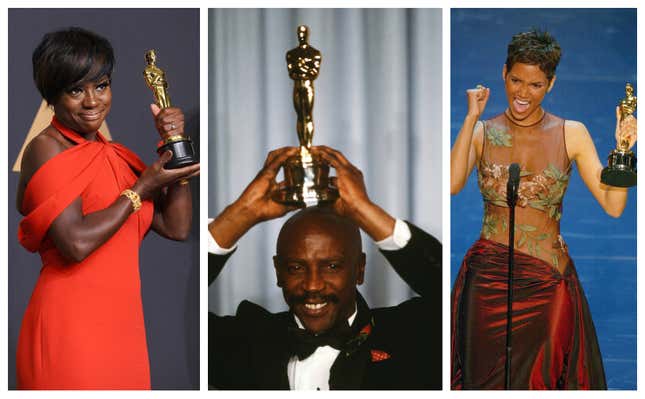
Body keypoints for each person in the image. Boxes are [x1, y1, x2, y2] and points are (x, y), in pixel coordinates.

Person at [450, 30, 637, 389]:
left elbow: (614, 207)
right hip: (487, 282)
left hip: (547, 283)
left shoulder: (572, 133)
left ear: (550, 84)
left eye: (535, 84)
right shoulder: (482, 132)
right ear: (503, 73)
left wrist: (623, 149)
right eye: (516, 80)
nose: (522, 93)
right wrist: (471, 117)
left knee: (543, 380)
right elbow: (452, 183)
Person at [16, 27, 200, 389]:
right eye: (75, 90)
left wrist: (172, 144)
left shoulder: (112, 155)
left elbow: (176, 227)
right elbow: (75, 243)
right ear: (51, 96)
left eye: (101, 85)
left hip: (122, 328)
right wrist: (142, 187)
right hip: (69, 328)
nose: (92, 101)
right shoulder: (45, 147)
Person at [208, 146, 441, 389]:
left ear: (360, 269)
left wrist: (365, 212)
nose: (312, 285)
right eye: (296, 268)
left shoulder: (414, 336)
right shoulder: (245, 343)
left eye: (332, 266)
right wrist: (241, 214)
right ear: (278, 271)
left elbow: (456, 291)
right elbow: (169, 305)